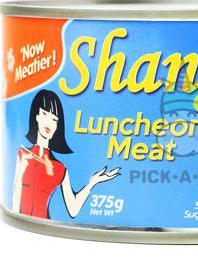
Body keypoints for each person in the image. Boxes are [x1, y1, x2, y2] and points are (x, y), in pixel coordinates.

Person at [12, 89, 120, 219]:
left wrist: (92, 183)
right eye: (45, 114)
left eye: (54, 119)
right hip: (23, 225)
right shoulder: (23, 154)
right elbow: (15, 202)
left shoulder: (60, 168)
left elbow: (73, 209)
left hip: (47, 225)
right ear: (37, 116)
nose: (49, 123)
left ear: (57, 125)